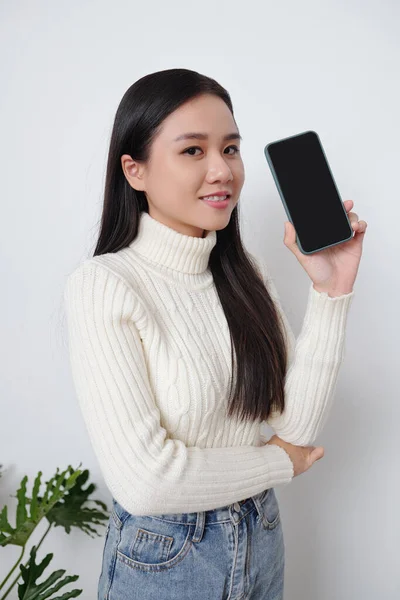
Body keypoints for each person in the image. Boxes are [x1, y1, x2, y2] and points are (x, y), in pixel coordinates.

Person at [63, 68, 367, 600]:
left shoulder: (242, 270)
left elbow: (294, 425)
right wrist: (277, 462)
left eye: (230, 148)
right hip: (168, 559)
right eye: (192, 151)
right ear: (134, 171)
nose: (221, 170)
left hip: (262, 535)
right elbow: (145, 480)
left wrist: (331, 292)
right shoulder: (105, 285)